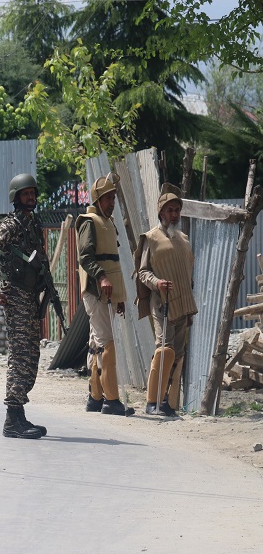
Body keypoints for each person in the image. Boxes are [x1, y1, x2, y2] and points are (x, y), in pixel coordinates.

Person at [0, 173, 49, 440]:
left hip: (29, 295)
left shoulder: (32, 223)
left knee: (31, 354)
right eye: (25, 194)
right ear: (16, 197)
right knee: (20, 354)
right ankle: (11, 420)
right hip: (15, 294)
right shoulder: (13, 225)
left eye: (32, 193)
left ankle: (19, 414)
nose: (30, 197)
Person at [134, 183, 197, 416]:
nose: (174, 214)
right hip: (161, 304)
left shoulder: (184, 238)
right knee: (164, 350)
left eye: (177, 210)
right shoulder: (151, 238)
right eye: (170, 210)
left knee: (178, 355)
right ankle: (152, 402)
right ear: (161, 213)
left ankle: (169, 404)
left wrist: (190, 310)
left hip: (183, 305)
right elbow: (143, 272)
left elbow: (188, 275)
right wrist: (157, 283)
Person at [75, 172, 133, 416]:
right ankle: (112, 400)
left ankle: (95, 398)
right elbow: (85, 257)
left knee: (96, 343)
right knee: (106, 342)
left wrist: (118, 296)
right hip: (95, 291)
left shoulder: (108, 222)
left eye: (114, 198)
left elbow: (114, 263)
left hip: (107, 292)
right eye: (108, 198)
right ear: (98, 199)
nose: (112, 203)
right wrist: (101, 277)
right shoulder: (89, 222)